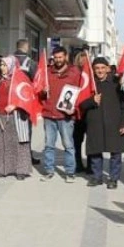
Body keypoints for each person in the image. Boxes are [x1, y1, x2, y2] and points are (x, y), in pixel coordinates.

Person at [80, 57, 124, 189]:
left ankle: (113, 179)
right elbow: (80, 104)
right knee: (96, 152)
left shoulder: (116, 83)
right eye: (97, 68)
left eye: (102, 68)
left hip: (114, 122)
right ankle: (97, 177)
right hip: (95, 123)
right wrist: (92, 100)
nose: (100, 71)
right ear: (93, 70)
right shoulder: (89, 84)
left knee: (115, 153)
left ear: (108, 68)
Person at [39, 46, 81, 183]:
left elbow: (79, 93)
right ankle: (49, 171)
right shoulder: (47, 72)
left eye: (60, 57)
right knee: (49, 145)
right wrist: (43, 91)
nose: (58, 60)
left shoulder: (74, 72)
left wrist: (73, 108)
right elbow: (39, 92)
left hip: (65, 116)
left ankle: (70, 172)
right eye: (55, 57)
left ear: (66, 57)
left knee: (68, 145)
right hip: (49, 114)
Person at [0, 56, 33, 180]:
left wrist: (15, 105)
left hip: (16, 116)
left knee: (18, 142)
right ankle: (1, 169)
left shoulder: (21, 79)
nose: (2, 68)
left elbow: (28, 97)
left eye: (4, 65)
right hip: (0, 115)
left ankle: (20, 170)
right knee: (0, 142)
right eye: (1, 65)